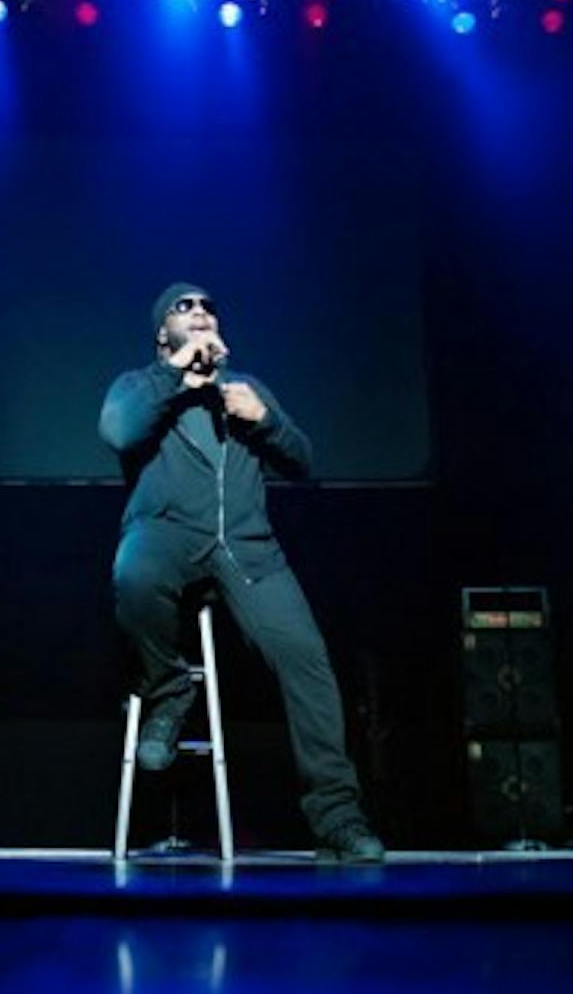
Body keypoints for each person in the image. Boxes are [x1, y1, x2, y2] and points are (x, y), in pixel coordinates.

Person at [99, 282, 384, 862]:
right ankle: (170, 689)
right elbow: (119, 431)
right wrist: (175, 375)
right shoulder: (139, 386)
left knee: (307, 659)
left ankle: (336, 817)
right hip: (168, 533)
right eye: (185, 308)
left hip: (247, 550)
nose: (200, 313)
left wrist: (264, 421)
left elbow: (302, 460)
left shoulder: (244, 390)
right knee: (132, 571)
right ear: (163, 334)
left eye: (207, 306)